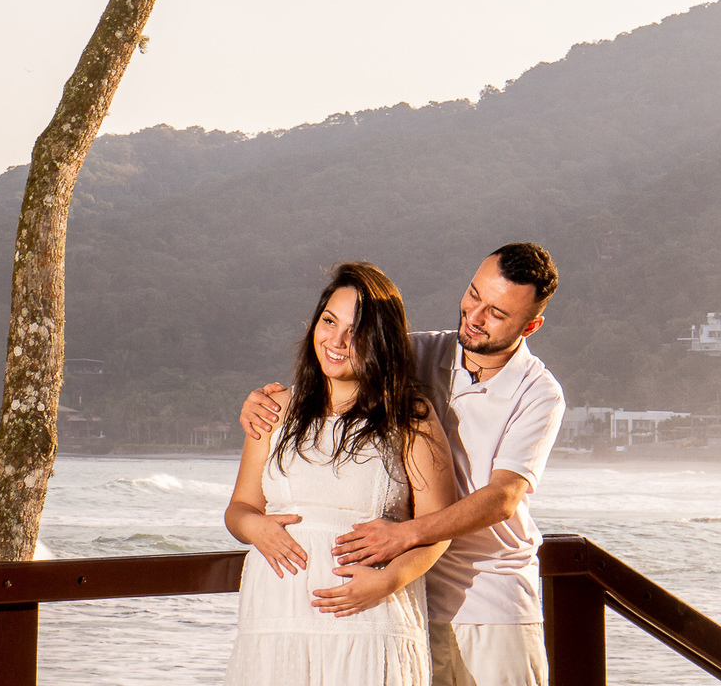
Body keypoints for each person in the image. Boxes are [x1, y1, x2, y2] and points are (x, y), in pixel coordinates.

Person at [240, 244, 564, 686]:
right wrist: (264, 405)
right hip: (405, 593)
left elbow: (503, 498)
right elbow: (341, 363)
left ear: (531, 325)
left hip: (490, 595)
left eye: (496, 313)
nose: (474, 315)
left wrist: (405, 536)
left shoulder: (538, 392)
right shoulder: (422, 352)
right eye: (473, 295)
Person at [223, 259, 458, 686]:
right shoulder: (273, 410)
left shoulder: (410, 417)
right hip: (278, 614)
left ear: (381, 342)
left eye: (357, 332)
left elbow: (438, 527)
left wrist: (388, 581)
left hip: (370, 617)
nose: (337, 339)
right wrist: (256, 528)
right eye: (329, 321)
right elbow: (239, 508)